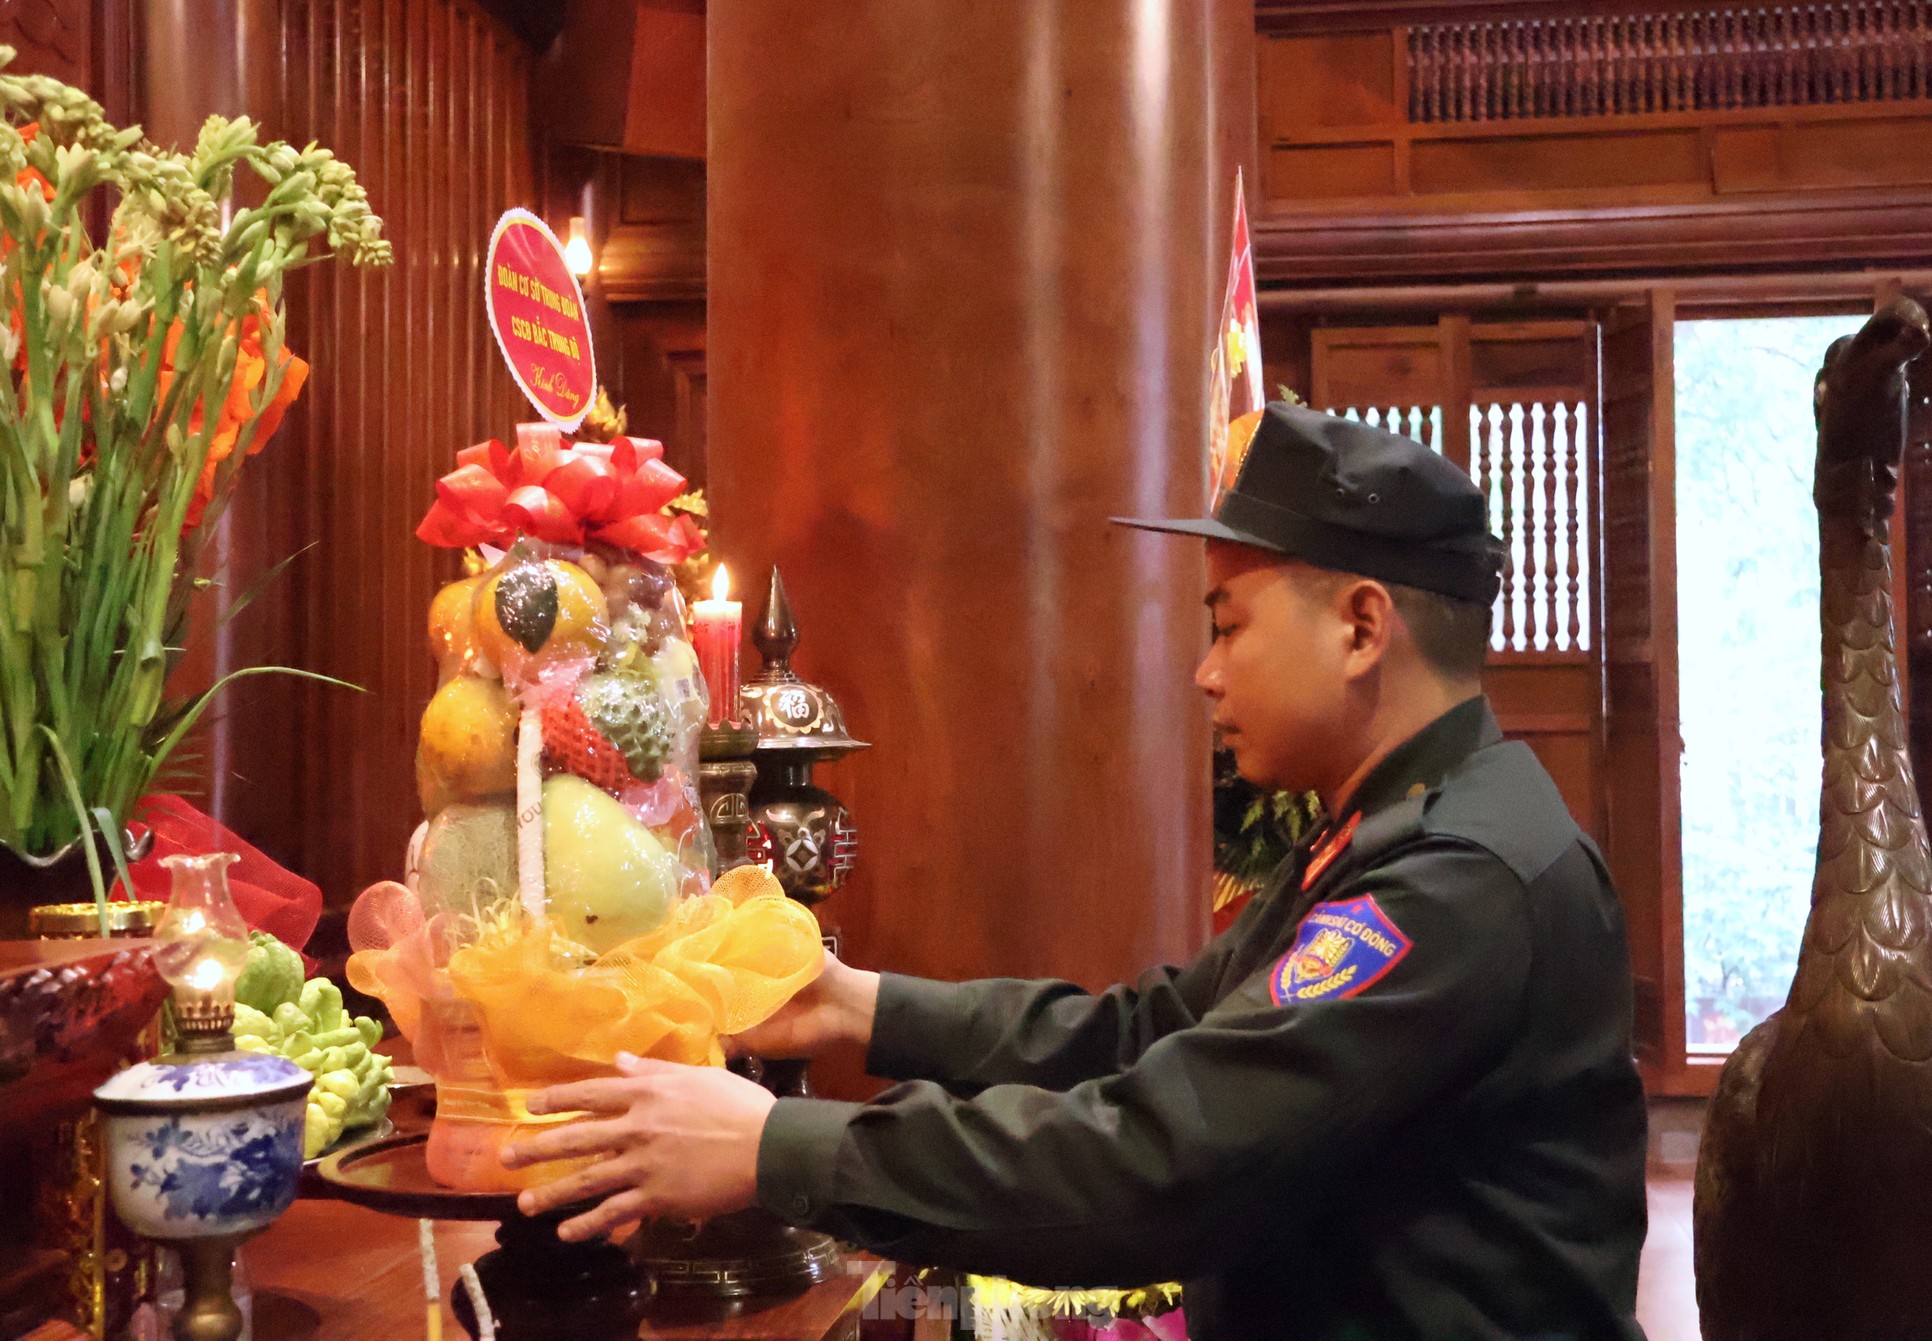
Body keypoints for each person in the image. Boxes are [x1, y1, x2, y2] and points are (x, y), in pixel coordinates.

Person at [500, 403, 1650, 1341]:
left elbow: (1160, 1160)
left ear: (1360, 627)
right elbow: (1154, 1035)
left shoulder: (1458, 881)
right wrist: (856, 1005)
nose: (1203, 674)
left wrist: (771, 1148)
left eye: (1228, 625)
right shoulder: (1388, 820)